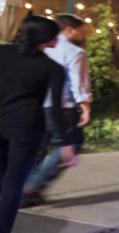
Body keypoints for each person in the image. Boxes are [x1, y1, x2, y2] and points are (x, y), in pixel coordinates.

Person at [0, 16, 72, 233]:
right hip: (25, 130)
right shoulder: (53, 68)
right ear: (48, 39)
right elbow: (55, 111)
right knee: (12, 186)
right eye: (55, 35)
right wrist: (65, 143)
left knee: (1, 178)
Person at [22, 13, 91, 206]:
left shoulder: (41, 48)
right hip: (61, 106)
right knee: (70, 147)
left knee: (38, 147)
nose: (84, 33)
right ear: (69, 29)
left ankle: (27, 188)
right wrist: (85, 107)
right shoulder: (75, 52)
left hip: (36, 104)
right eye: (81, 29)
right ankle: (31, 187)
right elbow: (79, 83)